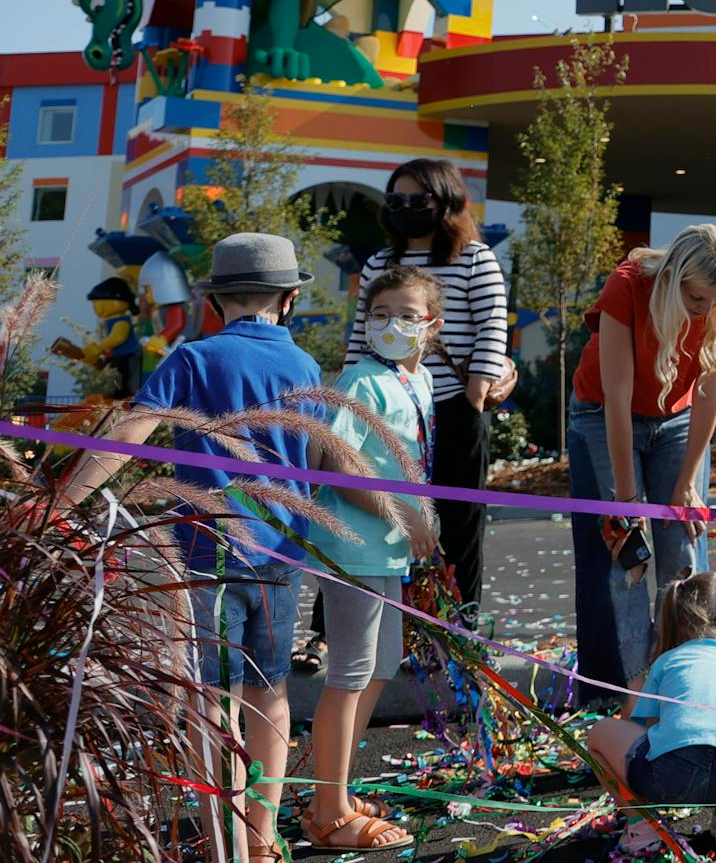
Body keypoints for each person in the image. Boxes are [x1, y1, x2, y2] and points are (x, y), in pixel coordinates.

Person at [54, 234, 322, 863]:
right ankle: (261, 837)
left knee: (214, 697)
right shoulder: (307, 368)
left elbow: (131, 435)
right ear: (288, 300)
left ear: (215, 301)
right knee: (271, 690)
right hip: (283, 553)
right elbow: (318, 459)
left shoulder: (193, 359)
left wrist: (65, 501)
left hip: (209, 553)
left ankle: (221, 836)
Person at [296, 159, 514, 672]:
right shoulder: (379, 263)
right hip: (386, 408)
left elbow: (492, 327)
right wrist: (348, 400)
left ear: (447, 202)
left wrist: (477, 393)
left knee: (457, 525)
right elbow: (360, 334)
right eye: (397, 200)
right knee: (359, 511)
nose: (408, 209)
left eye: (420, 200)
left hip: (451, 408)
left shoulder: (476, 259)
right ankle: (329, 634)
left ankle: (452, 632)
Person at [571, 225, 716, 703]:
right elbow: (617, 395)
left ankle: (686, 680)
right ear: (672, 279)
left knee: (684, 554)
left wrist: (687, 482)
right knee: (623, 555)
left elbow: (711, 391)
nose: (705, 310)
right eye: (696, 298)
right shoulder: (628, 284)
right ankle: (627, 690)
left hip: (676, 420)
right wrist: (626, 500)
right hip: (603, 414)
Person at [302, 267, 441, 852]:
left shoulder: (421, 379)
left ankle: (332, 789)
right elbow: (334, 461)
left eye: (407, 315)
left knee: (380, 668)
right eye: (381, 314)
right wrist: (399, 514)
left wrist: (420, 519)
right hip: (355, 546)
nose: (392, 325)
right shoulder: (361, 380)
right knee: (351, 673)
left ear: (431, 327)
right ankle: (328, 811)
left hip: (388, 550)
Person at [587, 571, 716, 852]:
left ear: (681, 619)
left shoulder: (668, 660)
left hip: (671, 779)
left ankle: (641, 824)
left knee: (599, 735)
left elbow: (650, 729)